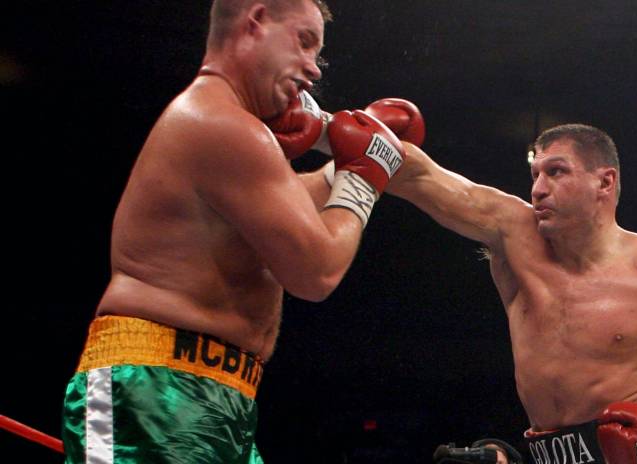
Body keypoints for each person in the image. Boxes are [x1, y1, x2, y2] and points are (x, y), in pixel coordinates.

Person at [60, 1, 409, 462]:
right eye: (304, 42)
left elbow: (289, 213)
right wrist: (363, 178)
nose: (313, 68)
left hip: (220, 398)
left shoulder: (234, 132)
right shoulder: (219, 122)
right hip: (150, 392)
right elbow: (316, 271)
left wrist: (345, 163)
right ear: (256, 21)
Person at [375, 122, 637, 464]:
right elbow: (422, 177)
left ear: (605, 181)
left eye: (556, 172)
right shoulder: (513, 235)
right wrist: (345, 130)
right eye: (535, 174)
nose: (537, 189)